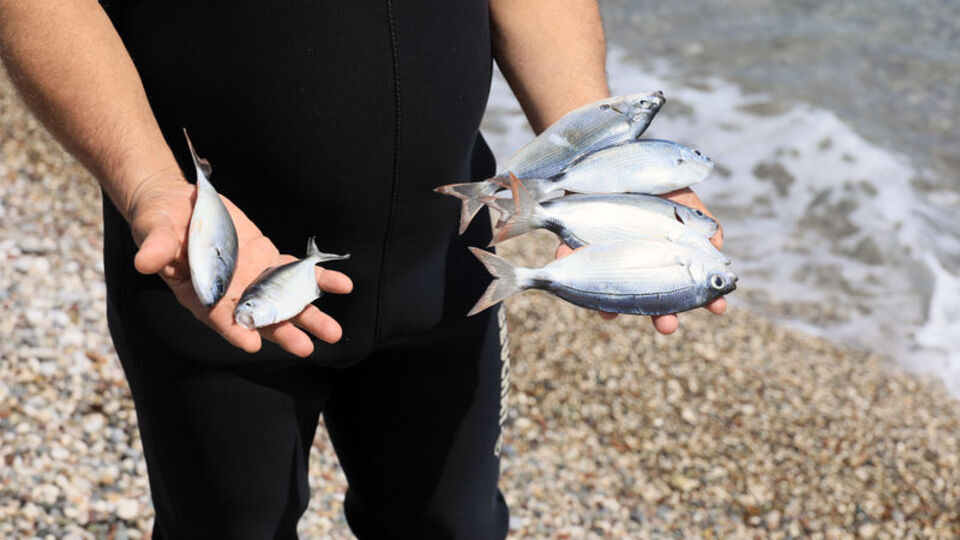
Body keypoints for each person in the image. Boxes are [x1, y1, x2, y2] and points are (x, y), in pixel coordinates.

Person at [0, 1, 726, 538]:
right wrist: (151, 185)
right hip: (210, 264)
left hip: (443, 263)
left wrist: (597, 154)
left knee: (455, 528)